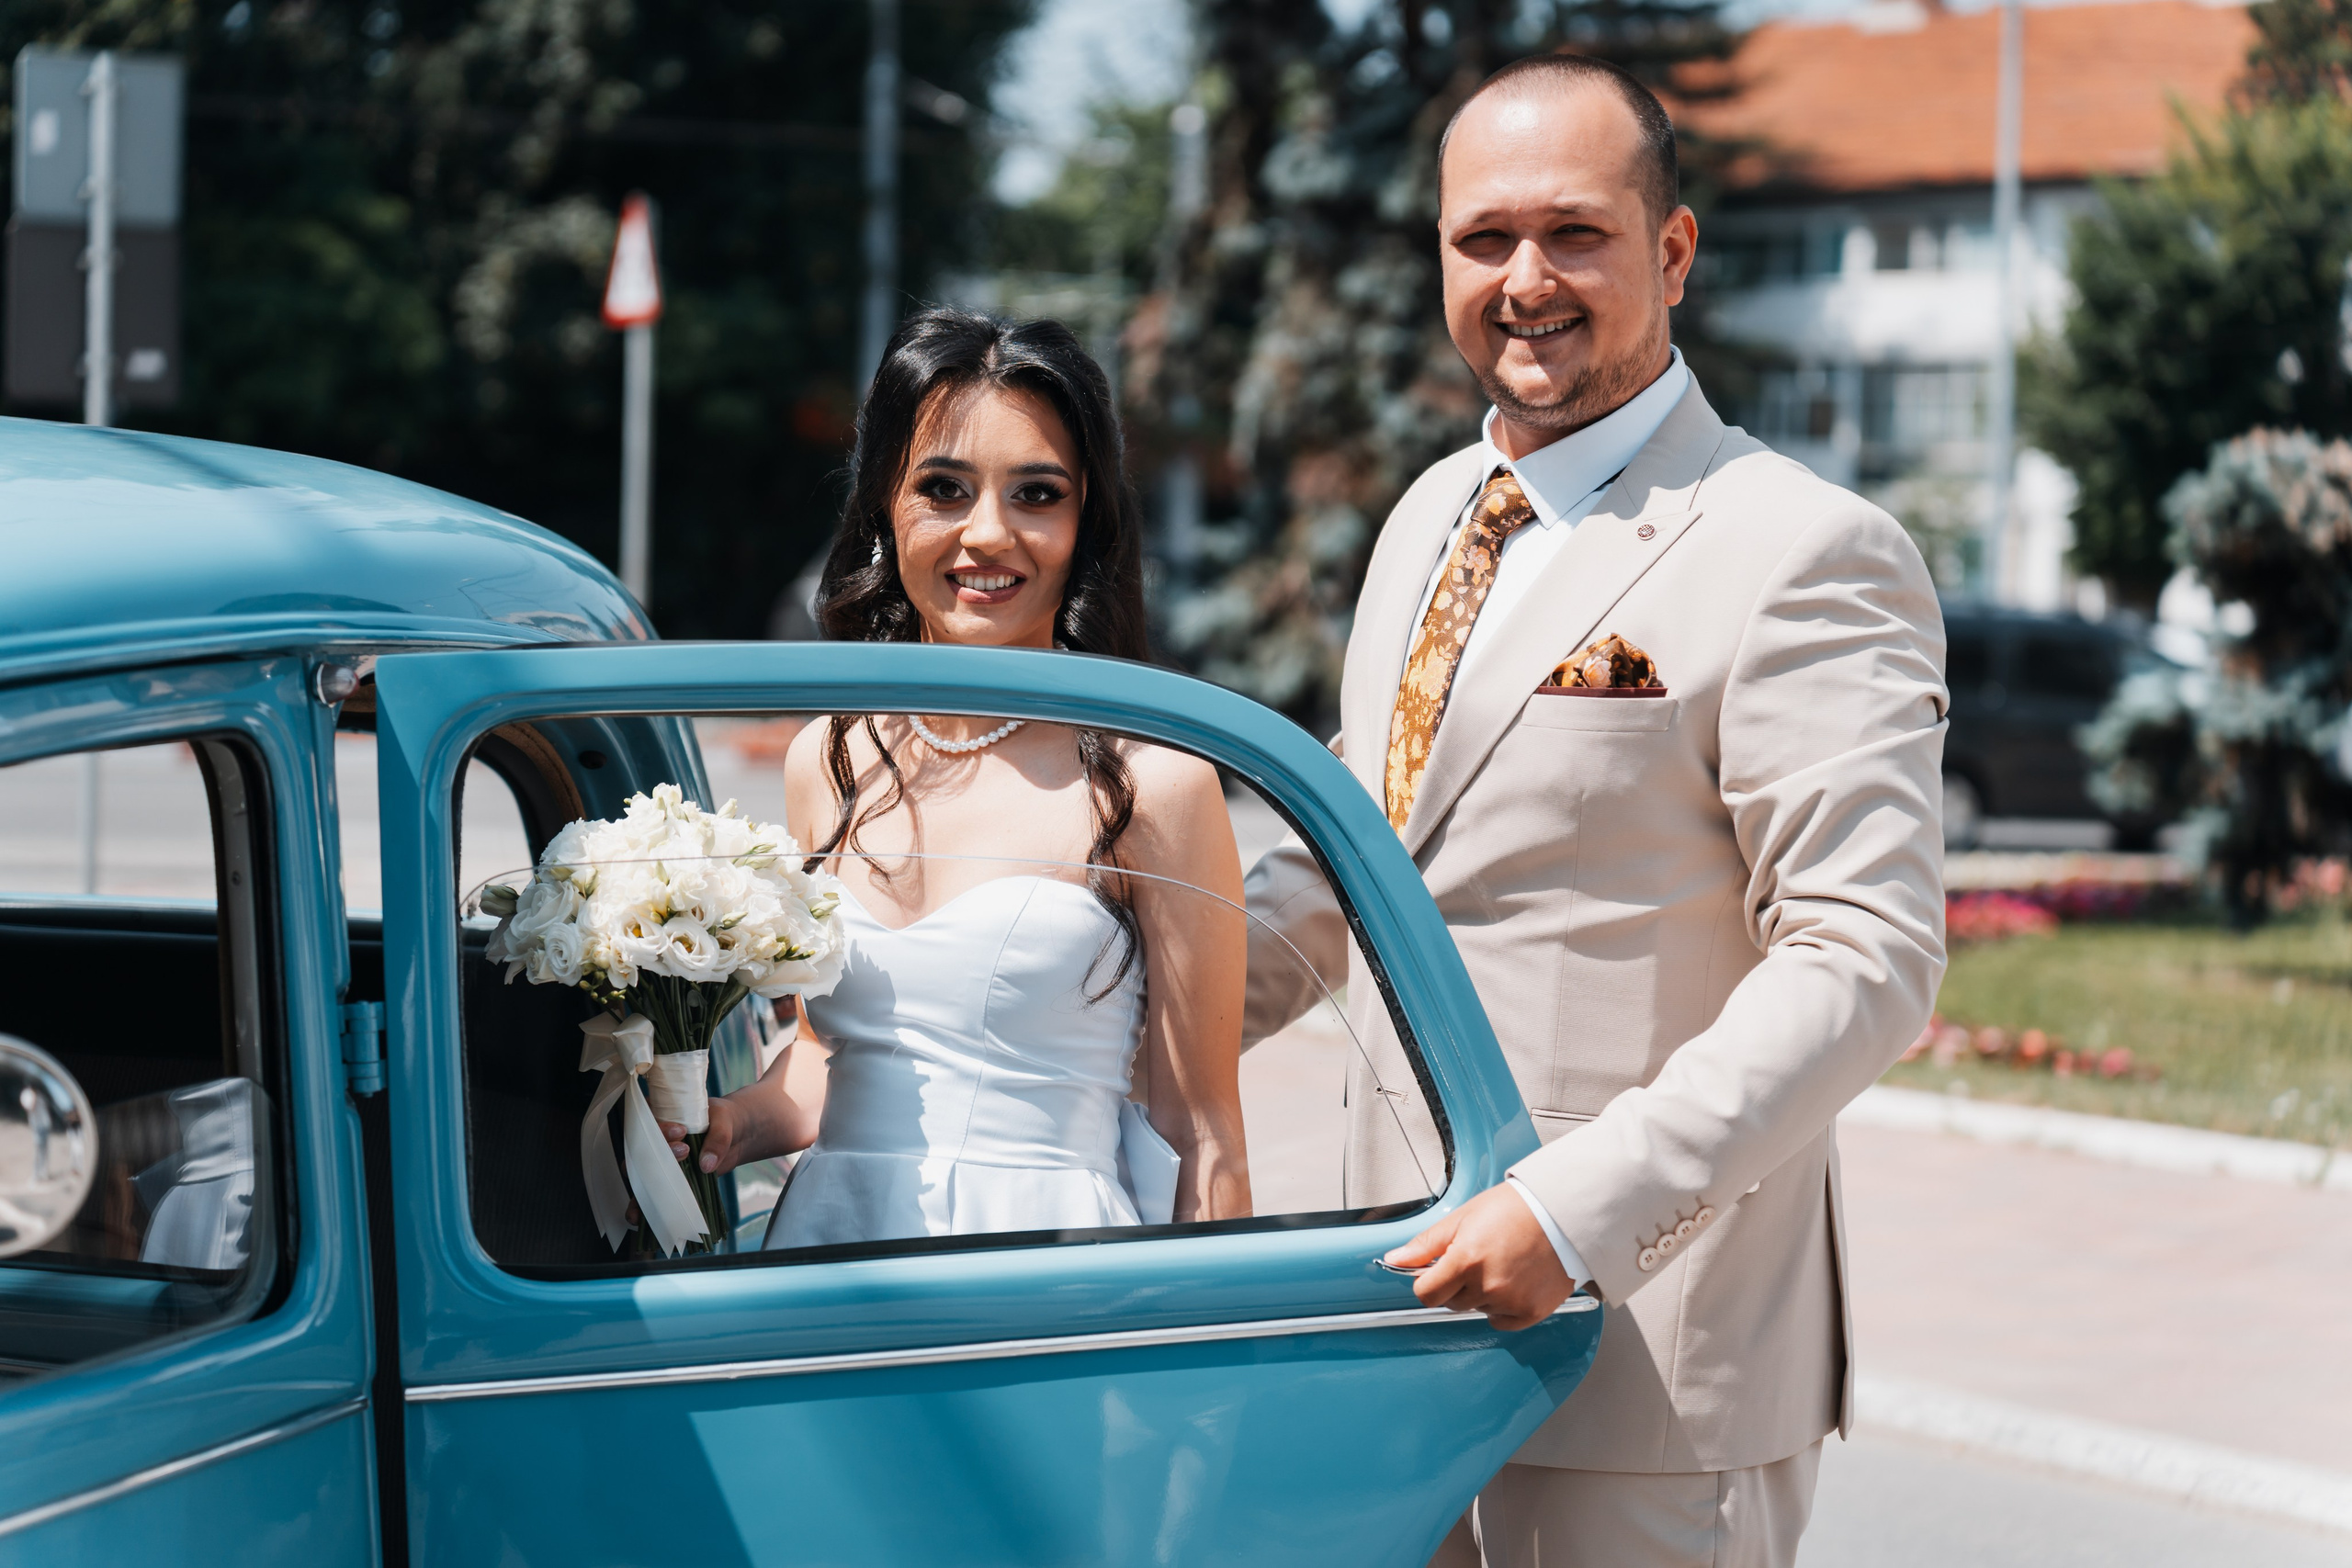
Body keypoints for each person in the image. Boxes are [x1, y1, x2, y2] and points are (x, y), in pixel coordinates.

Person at [1242, 54, 1947, 1568]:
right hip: (1401, 1336)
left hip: (1645, 1371)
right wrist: (1099, 1001)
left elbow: (1863, 958)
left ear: (1673, 252)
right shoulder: (1432, 516)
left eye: (1576, 233)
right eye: (1483, 238)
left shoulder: (1801, 551)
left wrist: (1570, 1212)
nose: (1526, 279)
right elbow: (1356, 856)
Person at [666, 308, 1252, 1244]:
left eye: (1036, 494)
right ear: (883, 509)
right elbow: (826, 1060)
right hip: (830, 1256)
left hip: (1045, 1271)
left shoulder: (1153, 781)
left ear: (1087, 521)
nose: (987, 535)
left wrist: (1207, 1367)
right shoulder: (829, 754)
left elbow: (1201, 1129)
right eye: (943, 488)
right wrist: (730, 1123)